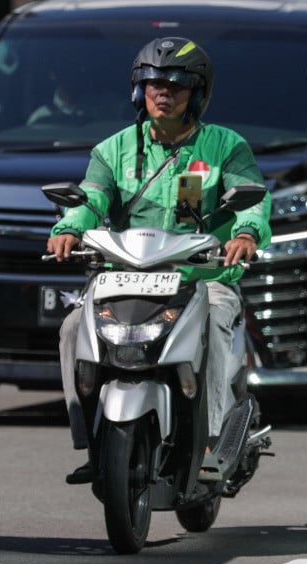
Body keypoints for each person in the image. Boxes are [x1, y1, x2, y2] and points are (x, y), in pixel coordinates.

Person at [47, 37, 272, 484]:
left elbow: (254, 203)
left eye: (176, 85)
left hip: (203, 276)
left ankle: (209, 443)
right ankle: (92, 442)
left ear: (198, 94)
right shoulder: (111, 151)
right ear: (138, 90)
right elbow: (90, 198)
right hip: (125, 276)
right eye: (153, 84)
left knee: (213, 319)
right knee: (73, 327)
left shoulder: (226, 147)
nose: (163, 93)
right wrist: (69, 228)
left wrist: (247, 233)